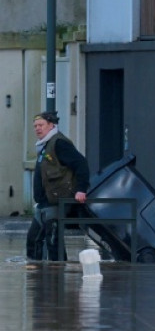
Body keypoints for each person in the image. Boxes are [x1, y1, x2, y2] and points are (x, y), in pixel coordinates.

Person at [26, 111, 90, 261]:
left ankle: (58, 275)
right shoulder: (44, 145)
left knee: (53, 240)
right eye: (35, 126)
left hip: (57, 201)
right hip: (43, 203)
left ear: (51, 125)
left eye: (41, 125)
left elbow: (81, 164)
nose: (37, 128)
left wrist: (81, 189)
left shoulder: (59, 143)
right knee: (33, 240)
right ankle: (36, 273)